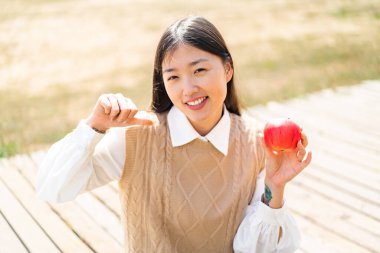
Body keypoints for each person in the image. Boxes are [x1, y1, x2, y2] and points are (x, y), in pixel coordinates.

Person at [36, 16, 312, 253]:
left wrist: (274, 189)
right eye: (173, 77)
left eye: (199, 70)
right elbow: (54, 189)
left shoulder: (256, 143)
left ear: (228, 69)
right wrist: (94, 127)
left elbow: (254, 248)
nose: (188, 89)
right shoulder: (137, 138)